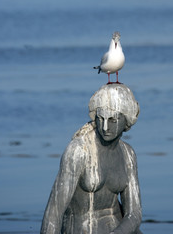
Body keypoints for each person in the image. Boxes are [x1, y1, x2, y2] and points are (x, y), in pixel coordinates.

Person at [41, 84, 142, 234]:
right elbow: (54, 213)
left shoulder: (128, 154)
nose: (105, 127)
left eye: (113, 120)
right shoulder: (79, 150)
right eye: (101, 119)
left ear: (126, 121)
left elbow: (134, 214)